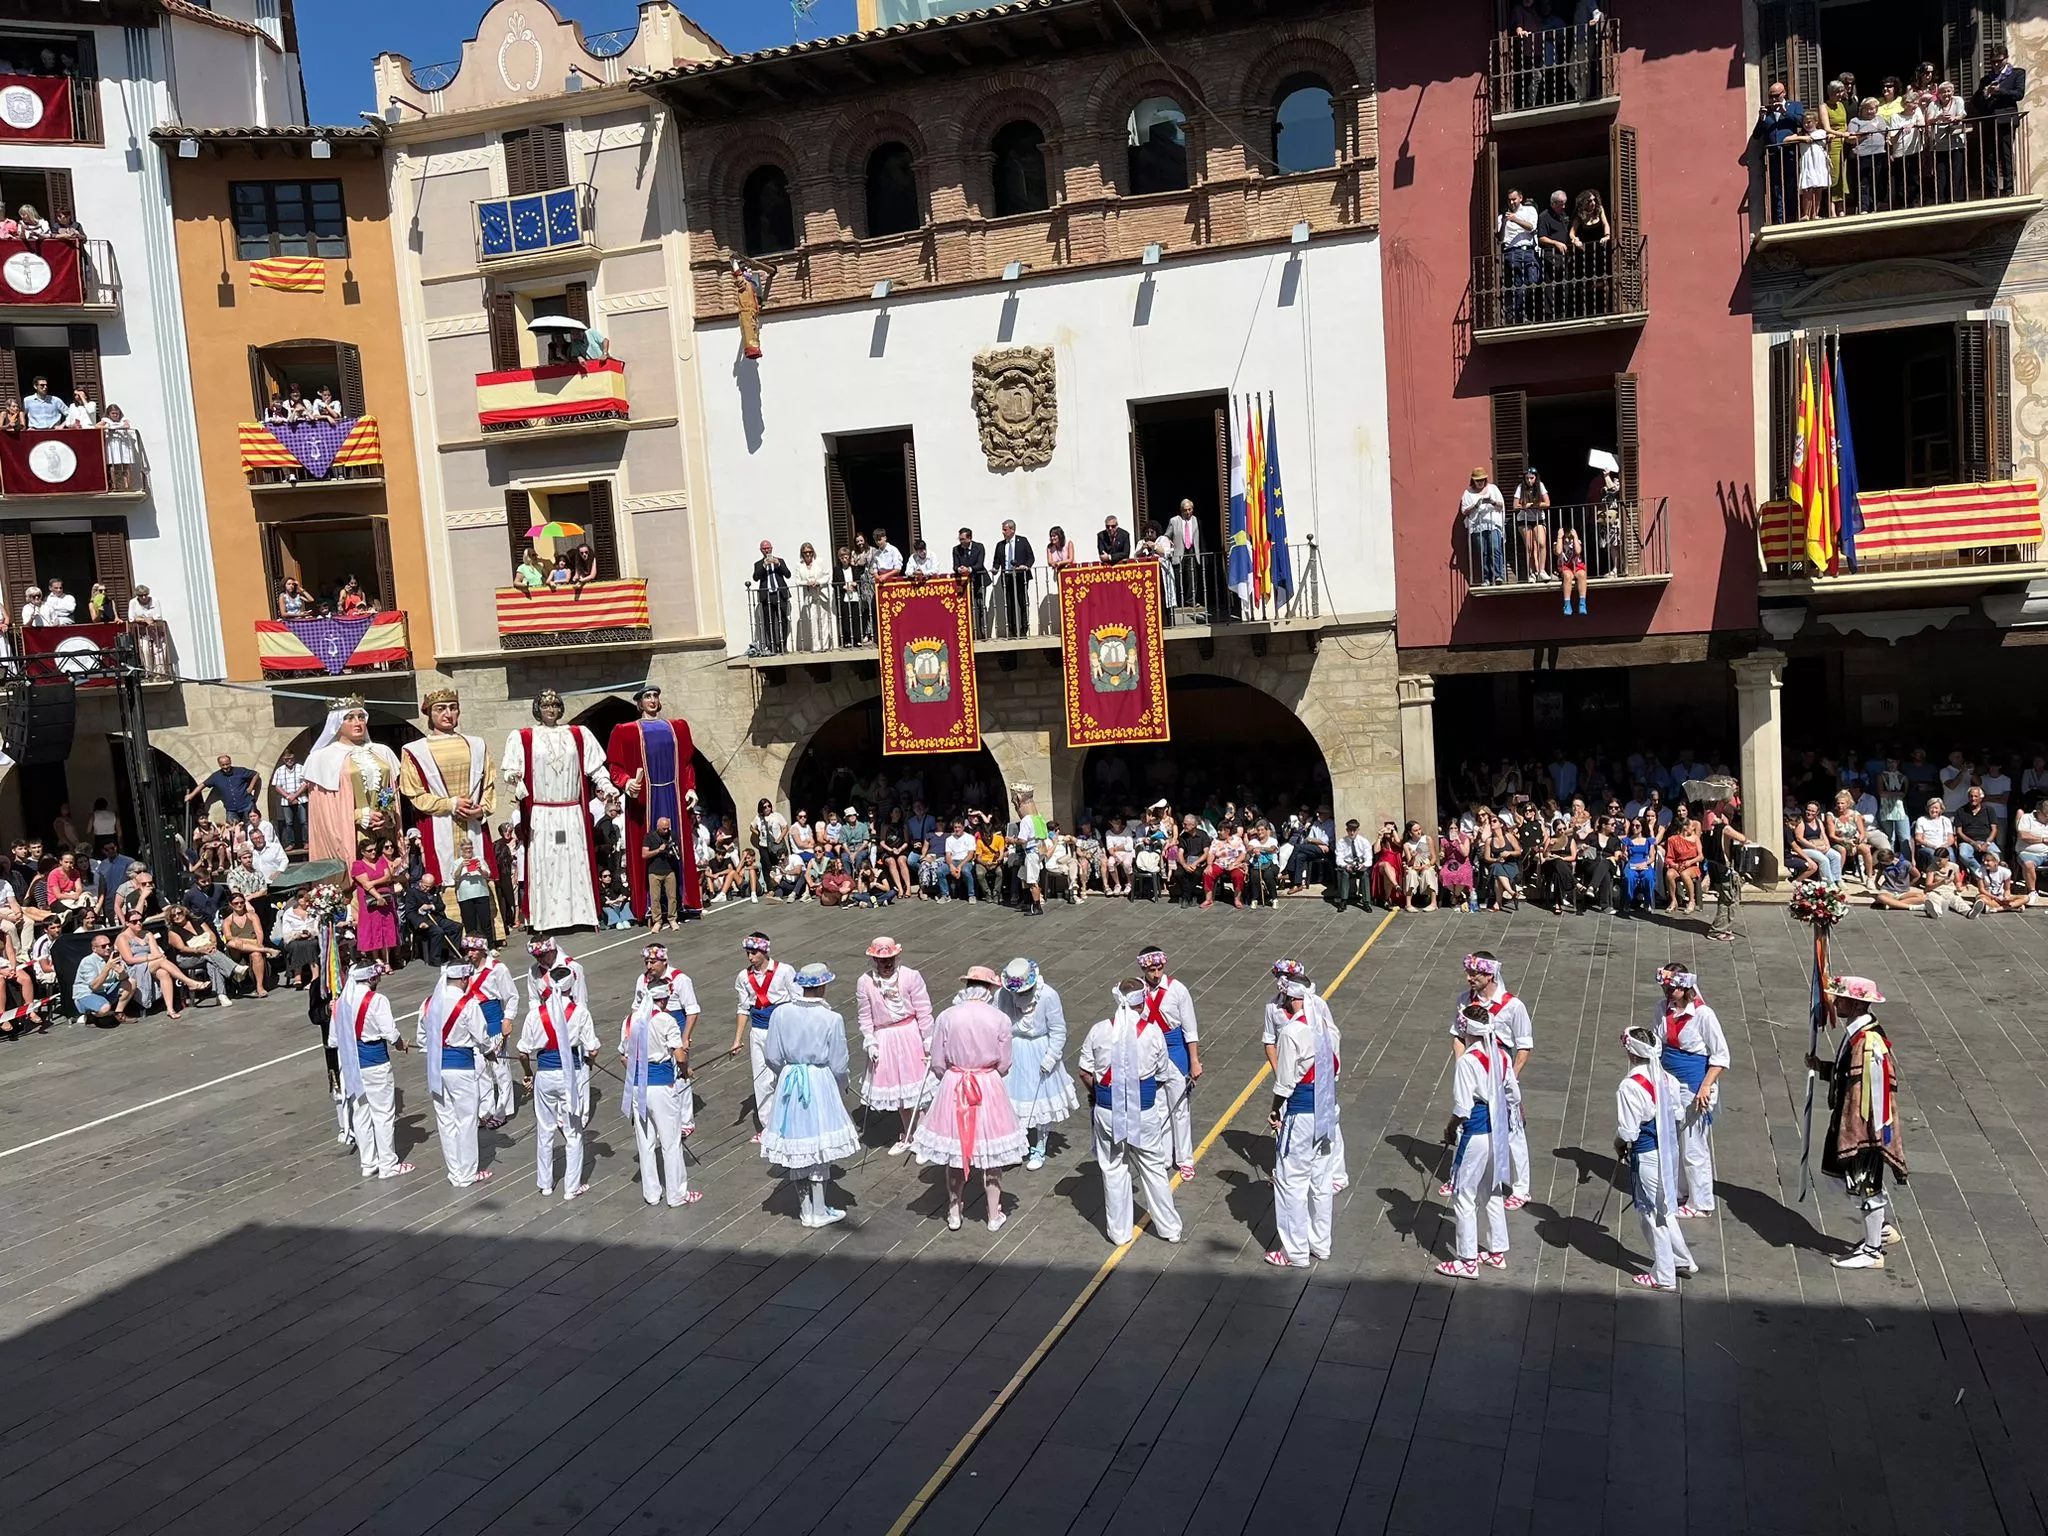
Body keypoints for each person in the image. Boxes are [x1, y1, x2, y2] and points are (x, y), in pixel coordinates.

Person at [913, 966, 1027, 1232]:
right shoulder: (999, 1019)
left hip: (956, 1082)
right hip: (986, 1083)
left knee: (955, 1151)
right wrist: (987, 1073)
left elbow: (938, 1061)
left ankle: (954, 1211)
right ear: (989, 989)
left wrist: (953, 1074)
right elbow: (1005, 1063)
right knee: (992, 1152)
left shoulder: (947, 1016)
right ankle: (992, 1214)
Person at [1809, 975, 1906, 1269]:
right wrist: (1823, 1068)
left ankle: (1873, 1250)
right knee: (1835, 1174)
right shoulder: (1857, 1034)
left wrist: (1862, 1133)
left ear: (1854, 1003)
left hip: (1863, 1127)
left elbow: (1871, 1091)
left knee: (1864, 1184)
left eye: (1839, 999)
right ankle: (1882, 1227)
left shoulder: (1868, 1042)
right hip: (1849, 1120)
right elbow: (1848, 1076)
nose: (1834, 1003)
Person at [1077, 977, 1182, 1246]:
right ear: (1142, 1001)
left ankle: (1119, 1233)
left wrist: (1096, 1093)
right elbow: (1161, 1071)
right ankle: (1170, 1228)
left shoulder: (1099, 1030)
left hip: (1107, 1109)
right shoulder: (1153, 1032)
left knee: (1113, 1169)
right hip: (1143, 1111)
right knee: (1153, 1169)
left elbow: (1085, 1071)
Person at [501, 689, 610, 934]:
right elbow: (509, 770)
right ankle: (545, 920)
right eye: (545, 705)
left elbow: (596, 768)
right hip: (543, 812)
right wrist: (514, 778)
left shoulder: (578, 734)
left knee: (575, 861)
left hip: (571, 811)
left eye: (555, 705)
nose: (551, 709)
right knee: (546, 863)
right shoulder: (524, 737)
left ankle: (581, 915)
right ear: (537, 709)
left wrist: (607, 786)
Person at [761, 962, 860, 1228]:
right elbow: (839, 1063)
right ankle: (818, 1209)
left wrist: (787, 1073)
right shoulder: (831, 1018)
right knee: (818, 1144)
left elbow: (771, 1056)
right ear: (824, 986)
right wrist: (841, 1085)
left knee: (797, 1140)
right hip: (818, 1080)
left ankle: (807, 1209)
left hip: (791, 1081)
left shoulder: (781, 1014)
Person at [398, 689, 500, 939]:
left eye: (452, 707)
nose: (448, 713)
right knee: (445, 871)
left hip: (473, 824)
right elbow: (416, 794)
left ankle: (488, 932)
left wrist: (482, 808)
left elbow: (488, 785)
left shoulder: (477, 744)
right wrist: (450, 804)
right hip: (439, 824)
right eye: (440, 709)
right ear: (429, 714)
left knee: (477, 869)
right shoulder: (414, 750)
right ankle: (454, 933)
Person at [606, 684, 702, 925]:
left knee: (677, 845)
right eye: (647, 696)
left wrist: (690, 787)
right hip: (645, 798)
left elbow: (688, 763)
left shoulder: (677, 728)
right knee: (648, 845)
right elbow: (615, 767)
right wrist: (627, 783)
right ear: (639, 703)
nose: (652, 700)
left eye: (655, 696)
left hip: (672, 793)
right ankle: (650, 906)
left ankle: (681, 901)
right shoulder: (626, 731)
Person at [1266, 960, 1341, 1268]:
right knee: (1321, 1181)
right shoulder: (1328, 1030)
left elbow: (1284, 1082)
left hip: (1300, 1112)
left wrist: (1274, 1110)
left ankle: (1295, 1251)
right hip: (1327, 1111)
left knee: (1291, 1182)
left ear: (1293, 999)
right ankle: (1321, 1244)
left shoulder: (1292, 1031)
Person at [1613, 1021, 1698, 1291]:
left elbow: (1628, 1131)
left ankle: (1663, 1275)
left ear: (1631, 1053)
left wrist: (1619, 1145)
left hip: (1647, 1153)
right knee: (1664, 1207)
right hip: (1667, 1150)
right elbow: (1677, 1114)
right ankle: (1682, 1258)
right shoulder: (1668, 1079)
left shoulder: (1630, 1086)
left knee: (1651, 1213)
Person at [1437, 1002, 1512, 1277]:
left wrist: (1449, 1128)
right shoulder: (1501, 1055)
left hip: (1477, 1130)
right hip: (1499, 1129)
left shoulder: (1468, 1061)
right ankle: (1497, 1251)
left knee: (1464, 1195)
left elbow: (1462, 1107)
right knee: (1492, 1190)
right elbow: (1513, 1093)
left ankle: (1467, 1260)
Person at [517, 954, 599, 1200]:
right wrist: (590, 1060)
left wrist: (529, 1074)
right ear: (571, 986)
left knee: (545, 1130)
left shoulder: (535, 1014)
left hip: (544, 1075)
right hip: (570, 1075)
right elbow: (592, 1047)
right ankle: (571, 1187)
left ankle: (545, 1184)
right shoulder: (580, 1012)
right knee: (573, 1132)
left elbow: (523, 1051)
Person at [619, 967, 699, 1208]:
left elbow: (624, 1056)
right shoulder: (666, 1020)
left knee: (645, 1142)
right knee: (671, 1141)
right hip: (662, 1086)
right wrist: (686, 1072)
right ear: (663, 999)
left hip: (638, 1088)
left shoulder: (629, 1020)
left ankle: (652, 1193)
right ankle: (677, 1194)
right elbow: (680, 1055)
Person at [1654, 964, 1727, 1218]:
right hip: (1669, 1084)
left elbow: (1720, 1056)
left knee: (1694, 1146)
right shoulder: (1661, 1010)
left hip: (1695, 1086)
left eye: (1673, 987)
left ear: (1685, 987)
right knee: (1674, 1139)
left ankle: (1702, 1202)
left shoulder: (1704, 1015)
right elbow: (1658, 1044)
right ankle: (1680, 1190)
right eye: (1665, 986)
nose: (1668, 991)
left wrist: (1705, 1086)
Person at [417, 956, 495, 1189]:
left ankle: (454, 1172)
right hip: (461, 1067)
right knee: (467, 1119)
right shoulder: (468, 1003)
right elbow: (481, 1036)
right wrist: (489, 1050)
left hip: (436, 1068)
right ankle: (468, 1173)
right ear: (463, 978)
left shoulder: (429, 1003)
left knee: (445, 1120)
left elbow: (422, 1039)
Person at [332, 960, 413, 1179]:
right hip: (375, 1062)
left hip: (352, 1064)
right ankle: (388, 1164)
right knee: (384, 1114)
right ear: (371, 978)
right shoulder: (377, 1000)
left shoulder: (340, 1002)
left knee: (361, 1112)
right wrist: (399, 1044)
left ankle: (368, 1162)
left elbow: (333, 1039)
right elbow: (390, 1032)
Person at [856, 935, 935, 1154]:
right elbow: (865, 1015)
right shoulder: (865, 982)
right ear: (875, 960)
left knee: (915, 1088)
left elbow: (924, 1010)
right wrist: (870, 1040)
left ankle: (923, 1134)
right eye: (882, 961)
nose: (887, 964)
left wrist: (928, 1038)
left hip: (909, 1035)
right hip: (885, 1038)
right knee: (899, 1091)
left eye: (891, 959)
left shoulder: (911, 976)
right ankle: (909, 1133)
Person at [998, 957, 1077, 1171]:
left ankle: (1039, 1144)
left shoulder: (1048, 996)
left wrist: (1050, 1058)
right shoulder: (1003, 995)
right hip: (1014, 1048)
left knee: (1040, 1099)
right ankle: (1016, 1144)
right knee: (1011, 1100)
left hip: (1038, 1049)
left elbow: (1058, 1030)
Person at [303, 697, 402, 863]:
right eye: (349, 718)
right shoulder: (322, 758)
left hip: (383, 828)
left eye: (361, 717)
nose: (357, 723)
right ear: (337, 724)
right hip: (350, 831)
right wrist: (359, 815)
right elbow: (325, 811)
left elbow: (389, 788)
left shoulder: (381, 751)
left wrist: (387, 814)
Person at [1136, 945, 1201, 1180]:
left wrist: (1194, 1060)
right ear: (1144, 969)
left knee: (1180, 1106)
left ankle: (1185, 1158)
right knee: (1159, 1105)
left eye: (1160, 968)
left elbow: (1190, 1028)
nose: (1156, 973)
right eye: (1152, 969)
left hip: (1175, 1049)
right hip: (1150, 1051)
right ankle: (1163, 1156)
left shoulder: (1177, 990)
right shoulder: (1135, 989)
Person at [730, 931, 799, 1141]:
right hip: (758, 1031)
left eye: (754, 953)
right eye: (748, 953)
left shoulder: (785, 971)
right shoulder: (744, 977)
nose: (750, 957)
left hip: (782, 1030)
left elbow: (797, 1000)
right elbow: (743, 1008)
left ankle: (793, 1121)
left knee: (786, 1076)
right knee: (761, 1079)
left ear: (764, 951)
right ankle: (768, 1126)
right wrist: (737, 1039)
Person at [1970, 44, 2025, 198]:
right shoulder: (1986, 79)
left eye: (1998, 61)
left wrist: (1999, 91)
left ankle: (2008, 189)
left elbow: (2019, 94)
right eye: (1993, 62)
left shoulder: (2016, 74)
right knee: (1990, 157)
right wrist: (1985, 95)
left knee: (2006, 155)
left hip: (2006, 119)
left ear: (2006, 59)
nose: (1995, 65)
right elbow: (1977, 103)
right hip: (1989, 121)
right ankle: (1992, 190)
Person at [1751, 79, 1808, 224]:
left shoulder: (1794, 106)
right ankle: (1780, 219)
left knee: (1792, 184)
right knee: (1776, 187)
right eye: (1771, 96)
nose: (1774, 99)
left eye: (1777, 96)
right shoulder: (1767, 113)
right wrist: (1761, 118)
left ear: (1784, 93)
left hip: (1790, 153)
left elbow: (1803, 122)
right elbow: (1757, 135)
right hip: (1773, 155)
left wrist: (1785, 112)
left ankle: (1793, 216)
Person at [163, 903, 240, 1007]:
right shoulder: (173, 931)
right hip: (186, 957)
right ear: (170, 918)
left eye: (179, 913)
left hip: (206, 952)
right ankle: (234, 968)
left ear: (184, 912)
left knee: (212, 962)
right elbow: (182, 948)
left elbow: (212, 934)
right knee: (210, 956)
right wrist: (199, 950)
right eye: (173, 915)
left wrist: (213, 944)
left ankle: (222, 995)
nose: (177, 916)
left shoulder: (198, 921)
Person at [351, 838, 399, 964]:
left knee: (386, 928)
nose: (373, 852)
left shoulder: (381, 860)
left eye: (374, 849)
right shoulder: (358, 865)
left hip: (385, 898)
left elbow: (388, 877)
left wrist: (373, 882)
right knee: (373, 928)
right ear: (362, 852)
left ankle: (387, 961)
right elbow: (365, 885)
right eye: (370, 850)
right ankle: (377, 960)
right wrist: (378, 897)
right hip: (369, 900)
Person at [1496, 187, 1540, 325]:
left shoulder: (1529, 211)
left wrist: (1515, 219)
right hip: (1512, 252)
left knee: (1533, 280)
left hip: (1528, 251)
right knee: (1518, 285)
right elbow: (1501, 238)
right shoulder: (1502, 217)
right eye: (1509, 200)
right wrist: (1504, 223)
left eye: (1514, 199)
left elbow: (1531, 227)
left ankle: (1517, 312)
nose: (1512, 202)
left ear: (1520, 198)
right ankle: (1518, 315)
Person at [70, 930, 132, 1022]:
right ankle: (90, 1016)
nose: (107, 948)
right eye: (103, 946)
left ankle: (118, 1013)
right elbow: (93, 986)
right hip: (87, 994)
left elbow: (123, 978)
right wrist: (107, 968)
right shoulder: (88, 961)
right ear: (94, 949)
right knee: (105, 1008)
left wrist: (121, 972)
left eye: (109, 945)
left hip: (104, 991)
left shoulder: (112, 958)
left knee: (131, 982)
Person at [1461, 467, 1507, 587]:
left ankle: (1498, 576)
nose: (1480, 482)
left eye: (1482, 480)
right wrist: (1476, 506)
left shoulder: (1493, 489)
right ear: (1473, 480)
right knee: (1483, 552)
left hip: (1493, 524)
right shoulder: (1468, 493)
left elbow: (1501, 505)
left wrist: (1492, 502)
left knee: (1495, 549)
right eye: (1477, 480)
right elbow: (1464, 511)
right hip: (1477, 526)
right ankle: (1487, 578)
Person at [991, 519, 1033, 639]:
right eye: (1003, 530)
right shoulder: (1000, 545)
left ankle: (1024, 628)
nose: (1003, 532)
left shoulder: (1022, 541)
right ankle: (1012, 629)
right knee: (1009, 603)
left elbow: (1031, 557)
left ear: (1012, 530)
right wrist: (995, 569)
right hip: (1007, 576)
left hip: (1020, 576)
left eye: (1005, 530)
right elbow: (997, 561)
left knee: (1022, 602)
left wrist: (1026, 566)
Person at [752, 539, 791, 655]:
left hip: (780, 594)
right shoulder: (758, 564)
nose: (766, 550)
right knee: (769, 622)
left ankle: (783, 644)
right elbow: (755, 577)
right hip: (767, 595)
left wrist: (777, 564)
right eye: (764, 549)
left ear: (771, 549)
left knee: (783, 619)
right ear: (761, 550)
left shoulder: (780, 561)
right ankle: (772, 645)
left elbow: (788, 575)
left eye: (768, 548)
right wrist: (764, 566)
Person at [643, 816, 682, 930]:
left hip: (669, 870)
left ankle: (672, 919)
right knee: (655, 898)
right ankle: (657, 921)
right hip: (654, 871)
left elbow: (677, 849)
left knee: (672, 897)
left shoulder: (672, 835)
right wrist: (658, 850)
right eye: (663, 829)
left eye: (667, 828)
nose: (666, 831)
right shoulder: (649, 836)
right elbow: (644, 854)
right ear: (658, 827)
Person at [1512, 466, 1550, 581]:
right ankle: (1532, 573)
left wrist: (1536, 505)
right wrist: (1524, 506)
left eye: (1532, 478)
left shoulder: (1540, 485)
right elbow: (1515, 505)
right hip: (1524, 519)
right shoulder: (1520, 487)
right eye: (1527, 478)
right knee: (1530, 546)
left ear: (1535, 477)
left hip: (1538, 518)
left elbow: (1547, 503)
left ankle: (1542, 571)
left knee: (1541, 543)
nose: (1529, 481)